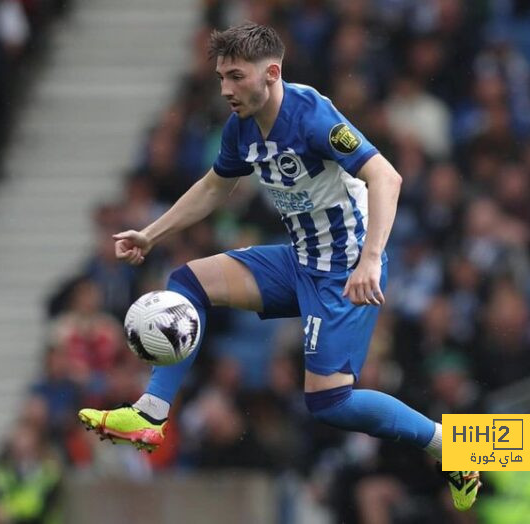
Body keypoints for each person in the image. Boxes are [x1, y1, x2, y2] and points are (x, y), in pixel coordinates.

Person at [78, 22, 480, 511]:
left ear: (271, 73)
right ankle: (151, 414)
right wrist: (151, 233)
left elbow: (386, 176)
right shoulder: (241, 126)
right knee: (187, 282)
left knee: (329, 403)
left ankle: (456, 448)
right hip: (299, 260)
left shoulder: (312, 115)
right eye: (222, 77)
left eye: (236, 76)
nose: (225, 89)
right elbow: (214, 187)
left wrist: (370, 260)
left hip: (343, 271)